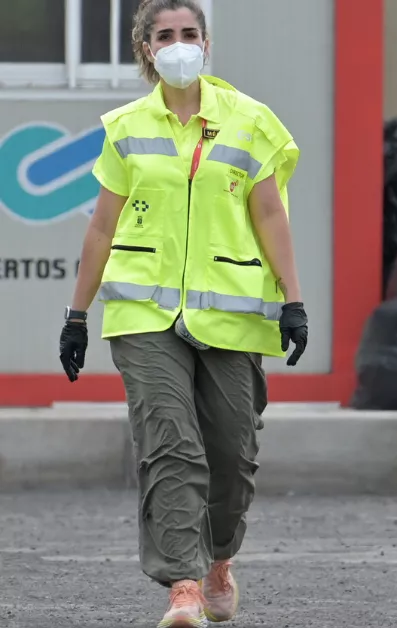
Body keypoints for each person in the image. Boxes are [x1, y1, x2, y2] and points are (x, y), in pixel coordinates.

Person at [55, 1, 308, 625]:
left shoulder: (251, 122)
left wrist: (293, 301)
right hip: (144, 316)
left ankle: (219, 557)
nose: (178, 45)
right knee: (171, 446)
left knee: (231, 453)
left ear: (206, 43)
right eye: (164, 35)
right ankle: (184, 587)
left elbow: (271, 215)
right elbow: (102, 228)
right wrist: (77, 315)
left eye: (188, 33)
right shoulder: (125, 127)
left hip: (232, 314)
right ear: (146, 49)